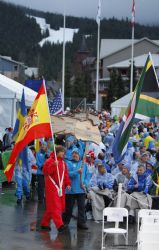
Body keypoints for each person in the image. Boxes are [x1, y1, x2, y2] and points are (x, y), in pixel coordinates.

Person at [41, 146, 71, 232]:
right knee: (56, 207)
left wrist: (68, 183)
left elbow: (65, 175)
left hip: (60, 187)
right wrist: (53, 165)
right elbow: (45, 172)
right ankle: (59, 225)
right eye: (61, 152)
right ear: (57, 152)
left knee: (52, 207)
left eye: (63, 152)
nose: (63, 153)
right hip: (51, 187)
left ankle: (44, 223)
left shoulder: (63, 163)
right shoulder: (49, 161)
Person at [63, 149, 89, 230]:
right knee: (69, 208)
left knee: (81, 207)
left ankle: (81, 223)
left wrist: (85, 183)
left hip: (81, 189)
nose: (75, 155)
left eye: (76, 153)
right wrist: (76, 172)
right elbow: (67, 174)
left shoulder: (84, 164)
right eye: (73, 153)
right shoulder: (67, 163)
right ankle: (65, 222)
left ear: (80, 155)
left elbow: (87, 175)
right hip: (70, 190)